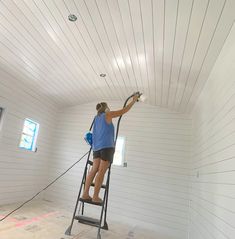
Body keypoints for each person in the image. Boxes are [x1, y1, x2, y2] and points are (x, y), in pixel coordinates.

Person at [82, 93, 139, 204]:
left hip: (96, 148)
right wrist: (133, 100)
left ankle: (85, 194)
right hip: (107, 147)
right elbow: (124, 110)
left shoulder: (96, 118)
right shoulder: (107, 114)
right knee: (101, 171)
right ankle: (95, 196)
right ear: (106, 108)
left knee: (94, 170)